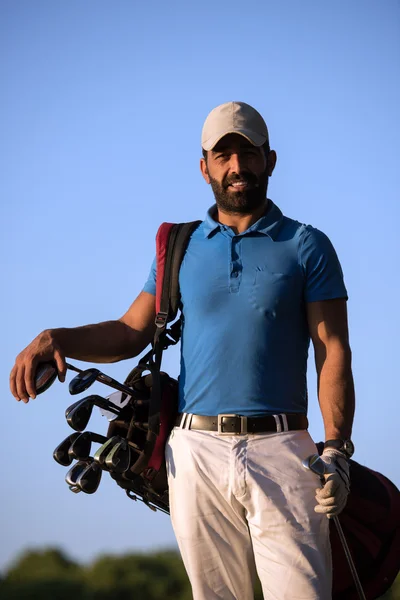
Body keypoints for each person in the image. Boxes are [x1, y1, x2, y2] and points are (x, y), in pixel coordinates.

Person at [10, 101, 355, 600]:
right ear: (205, 167)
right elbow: (131, 330)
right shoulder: (180, 247)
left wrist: (337, 449)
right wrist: (57, 338)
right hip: (195, 452)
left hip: (286, 451)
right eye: (223, 155)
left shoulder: (307, 245)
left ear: (270, 159)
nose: (237, 166)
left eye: (248, 153)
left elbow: (333, 351)